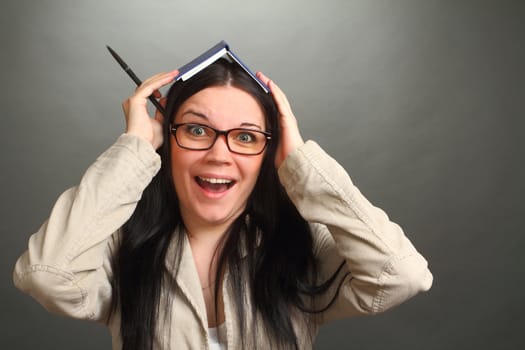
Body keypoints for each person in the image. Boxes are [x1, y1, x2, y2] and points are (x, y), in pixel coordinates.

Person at [13, 58, 433, 350]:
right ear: (167, 141)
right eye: (197, 130)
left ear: (270, 152)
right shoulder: (123, 245)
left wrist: (302, 162)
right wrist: (134, 149)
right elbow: (48, 276)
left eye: (246, 136)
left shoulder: (300, 245)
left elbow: (401, 276)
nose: (219, 154)